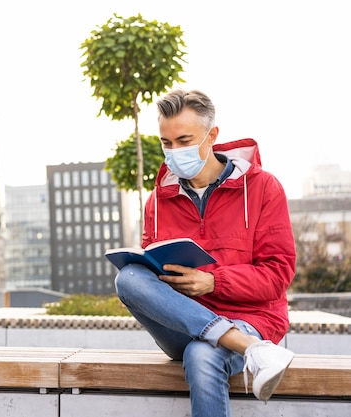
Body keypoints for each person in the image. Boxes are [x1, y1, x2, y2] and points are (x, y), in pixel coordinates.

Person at [114, 89, 296, 417]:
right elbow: (152, 276)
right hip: (184, 323)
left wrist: (213, 282)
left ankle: (246, 342)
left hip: (252, 319)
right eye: (166, 143)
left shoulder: (263, 188)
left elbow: (278, 275)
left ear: (211, 135)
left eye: (184, 140)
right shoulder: (157, 200)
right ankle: (252, 351)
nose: (174, 152)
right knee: (128, 278)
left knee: (202, 354)